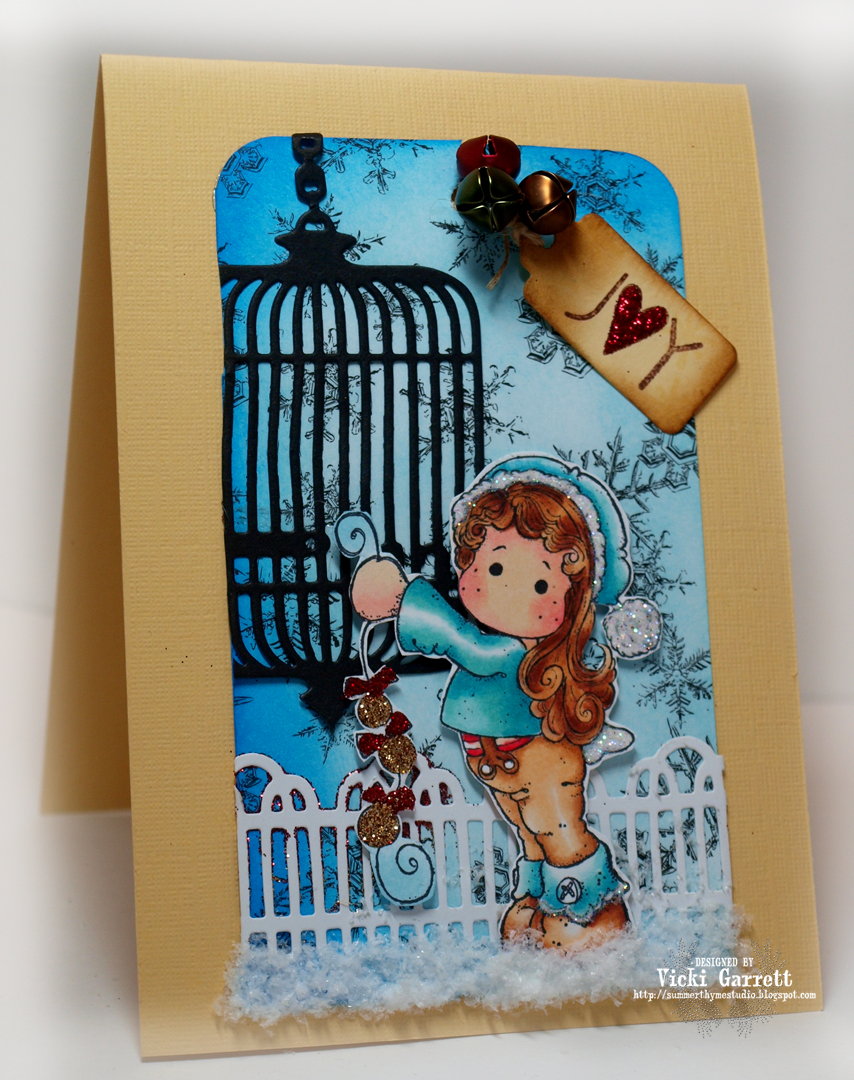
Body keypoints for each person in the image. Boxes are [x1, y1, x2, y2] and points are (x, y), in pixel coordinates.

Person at [349, 454, 660, 951]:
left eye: (539, 584)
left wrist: (404, 599)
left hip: (536, 757)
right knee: (528, 832)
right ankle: (538, 902)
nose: (505, 590)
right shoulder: (506, 646)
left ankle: (595, 917)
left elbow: (463, 642)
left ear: (572, 599)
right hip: (498, 760)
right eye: (492, 566)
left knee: (556, 830)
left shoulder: (512, 653)